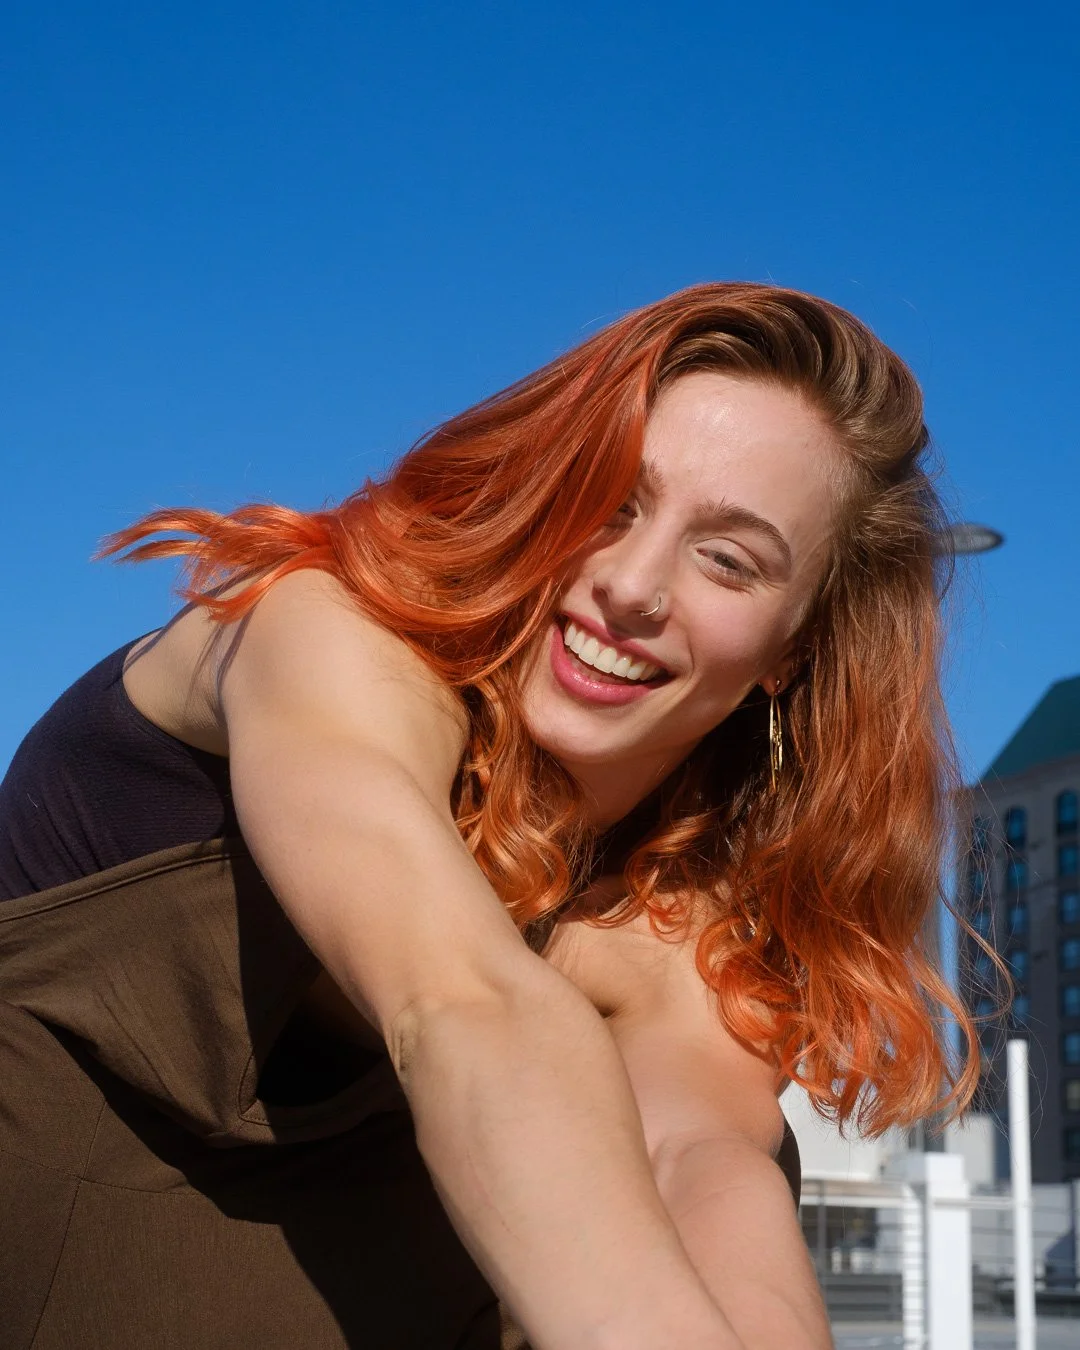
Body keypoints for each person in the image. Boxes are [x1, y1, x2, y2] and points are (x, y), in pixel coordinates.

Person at [0, 282, 977, 1350]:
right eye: (611, 501)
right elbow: (459, 999)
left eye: (728, 560)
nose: (632, 585)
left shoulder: (679, 918)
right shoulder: (325, 635)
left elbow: (698, 1170)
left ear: (790, 651)